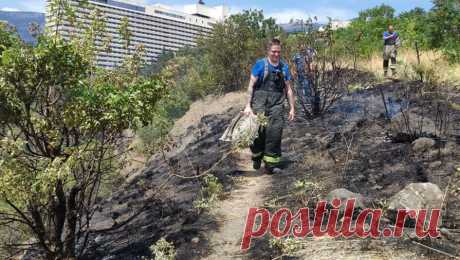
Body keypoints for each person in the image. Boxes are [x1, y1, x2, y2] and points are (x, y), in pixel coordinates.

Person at [243, 38, 295, 174]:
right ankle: (256, 157)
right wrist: (248, 106)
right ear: (268, 51)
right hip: (259, 103)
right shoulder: (260, 65)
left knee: (275, 133)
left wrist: (292, 108)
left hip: (277, 104)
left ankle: (271, 164)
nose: (276, 54)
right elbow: (251, 86)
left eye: (278, 52)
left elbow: (288, 89)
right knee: (258, 132)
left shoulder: (284, 67)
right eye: (273, 51)